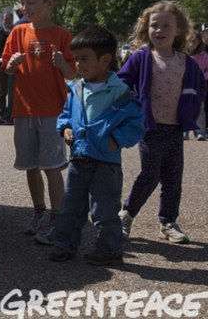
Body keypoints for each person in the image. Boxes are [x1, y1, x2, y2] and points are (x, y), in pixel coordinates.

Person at [51, 25, 144, 266]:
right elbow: (65, 114)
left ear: (105, 60)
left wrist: (117, 140)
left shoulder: (121, 92)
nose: (78, 65)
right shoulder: (76, 89)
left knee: (104, 211)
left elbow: (137, 124)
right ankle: (64, 245)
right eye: (76, 59)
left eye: (84, 59)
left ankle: (110, 250)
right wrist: (65, 128)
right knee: (70, 207)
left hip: (106, 163)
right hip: (79, 159)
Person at [118, 1, 206, 245]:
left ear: (178, 30)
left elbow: (199, 86)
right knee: (149, 174)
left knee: (173, 177)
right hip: (150, 128)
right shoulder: (141, 57)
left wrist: (192, 106)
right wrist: (134, 105)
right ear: (146, 29)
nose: (159, 30)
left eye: (166, 25)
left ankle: (168, 222)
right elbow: (121, 82)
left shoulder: (185, 61)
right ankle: (126, 214)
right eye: (154, 25)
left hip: (175, 128)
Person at [1, 0, 76, 245]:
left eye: (31, 2)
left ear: (50, 4)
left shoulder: (62, 35)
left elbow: (71, 74)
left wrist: (62, 64)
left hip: (52, 112)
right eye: (23, 2)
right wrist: (12, 64)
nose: (25, 8)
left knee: (52, 166)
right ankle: (39, 212)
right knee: (30, 165)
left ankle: (58, 218)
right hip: (24, 110)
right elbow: (7, 67)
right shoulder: (18, 32)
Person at [183, 30, 208, 140]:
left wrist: (202, 77)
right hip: (184, 86)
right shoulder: (182, 54)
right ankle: (184, 131)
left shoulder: (204, 56)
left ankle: (200, 131)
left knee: (199, 108)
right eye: (189, 41)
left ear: (199, 42)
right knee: (184, 108)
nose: (192, 44)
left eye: (194, 41)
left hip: (199, 87)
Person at [0, 12, 14, 125]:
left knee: (12, 90)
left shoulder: (16, 32)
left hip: (14, 65)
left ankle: (10, 114)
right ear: (2, 20)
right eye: (5, 19)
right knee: (2, 90)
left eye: (9, 19)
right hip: (1, 66)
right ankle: (1, 113)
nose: (7, 21)